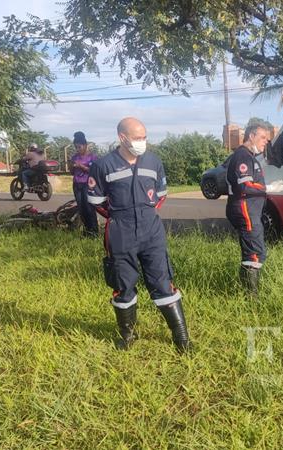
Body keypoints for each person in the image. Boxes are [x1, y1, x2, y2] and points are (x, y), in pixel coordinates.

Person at [87, 117, 191, 353]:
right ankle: (128, 336)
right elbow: (96, 201)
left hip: (151, 231)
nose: (142, 142)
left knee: (163, 283)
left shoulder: (153, 161)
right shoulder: (104, 165)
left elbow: (161, 195)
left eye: (144, 137)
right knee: (123, 286)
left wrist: (144, 215)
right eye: (137, 138)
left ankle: (182, 338)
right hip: (120, 232)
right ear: (122, 138)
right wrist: (119, 217)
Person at [226, 123, 271, 294]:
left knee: (253, 250)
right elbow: (244, 186)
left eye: (267, 139)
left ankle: (245, 291)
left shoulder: (249, 156)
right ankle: (251, 297)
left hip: (251, 210)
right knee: (254, 252)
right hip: (245, 209)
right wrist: (267, 188)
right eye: (262, 138)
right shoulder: (242, 156)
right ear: (251, 136)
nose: (265, 142)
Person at [68, 131, 99, 237]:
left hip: (87, 185)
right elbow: (72, 172)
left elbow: (93, 172)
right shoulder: (74, 157)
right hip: (77, 185)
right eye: (76, 147)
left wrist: (81, 166)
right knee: (81, 209)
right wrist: (72, 166)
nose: (78, 149)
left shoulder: (92, 157)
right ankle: (86, 231)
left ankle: (94, 231)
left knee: (89, 208)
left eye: (79, 147)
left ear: (85, 145)